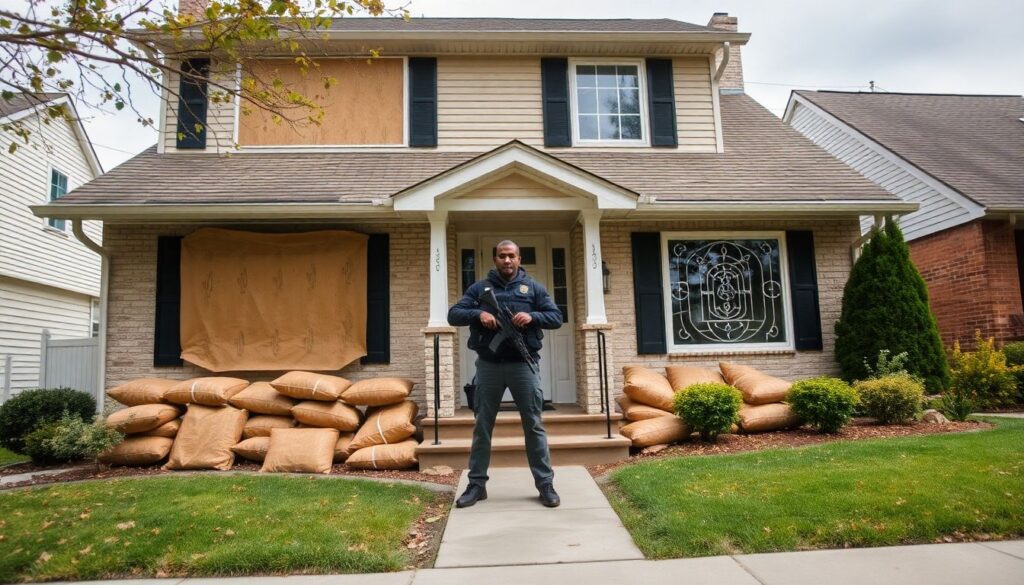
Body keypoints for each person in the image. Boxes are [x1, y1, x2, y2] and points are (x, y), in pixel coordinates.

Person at [447, 240, 564, 508]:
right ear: (495, 259)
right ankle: (477, 484)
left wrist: (532, 316)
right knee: (482, 426)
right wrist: (479, 314)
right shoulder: (480, 288)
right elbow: (454, 315)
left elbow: (556, 317)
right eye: (502, 256)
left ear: (519, 259)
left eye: (511, 256)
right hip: (489, 366)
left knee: (533, 424)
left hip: (523, 365)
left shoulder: (533, 288)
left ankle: (545, 483)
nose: (507, 261)